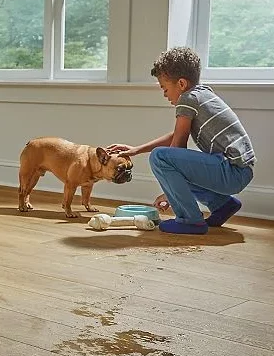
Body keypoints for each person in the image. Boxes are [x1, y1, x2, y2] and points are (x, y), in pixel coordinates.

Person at [107, 47, 255, 234]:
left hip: (231, 171)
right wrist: (136, 150)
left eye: (165, 88)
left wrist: (170, 194)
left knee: (159, 157)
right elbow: (176, 135)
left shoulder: (187, 99)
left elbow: (177, 148)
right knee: (171, 161)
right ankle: (222, 204)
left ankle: (190, 220)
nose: (164, 94)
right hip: (239, 171)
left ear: (182, 83)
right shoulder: (202, 94)